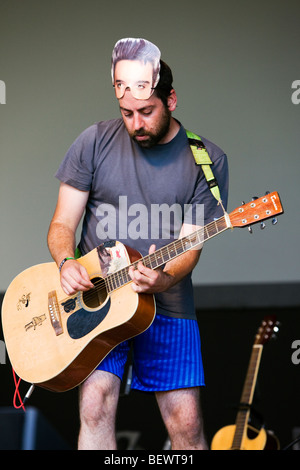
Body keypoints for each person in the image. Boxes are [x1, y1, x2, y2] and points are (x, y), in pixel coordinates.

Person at [47, 37, 229, 450]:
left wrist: (165, 279)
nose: (135, 124)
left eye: (146, 112)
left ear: (172, 100)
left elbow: (191, 247)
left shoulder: (206, 160)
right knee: (94, 406)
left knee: (185, 424)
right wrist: (64, 262)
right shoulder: (93, 142)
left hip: (167, 304)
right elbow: (61, 223)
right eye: (126, 113)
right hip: (96, 302)